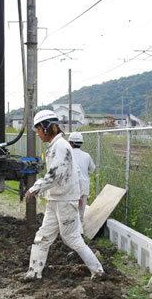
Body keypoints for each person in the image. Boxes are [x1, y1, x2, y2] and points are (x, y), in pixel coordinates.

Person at [24, 110, 105, 281]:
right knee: (43, 237)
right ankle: (33, 273)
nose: (38, 134)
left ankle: (98, 271)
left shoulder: (61, 146)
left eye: (38, 130)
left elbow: (56, 174)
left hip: (65, 201)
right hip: (55, 199)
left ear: (47, 128)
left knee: (72, 238)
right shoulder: (55, 146)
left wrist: (35, 188)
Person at [68, 132, 95, 234]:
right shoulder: (87, 156)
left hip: (71, 188)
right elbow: (92, 169)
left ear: (71, 143)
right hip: (84, 187)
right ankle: (80, 232)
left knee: (70, 210)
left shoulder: (68, 155)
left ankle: (71, 232)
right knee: (81, 210)